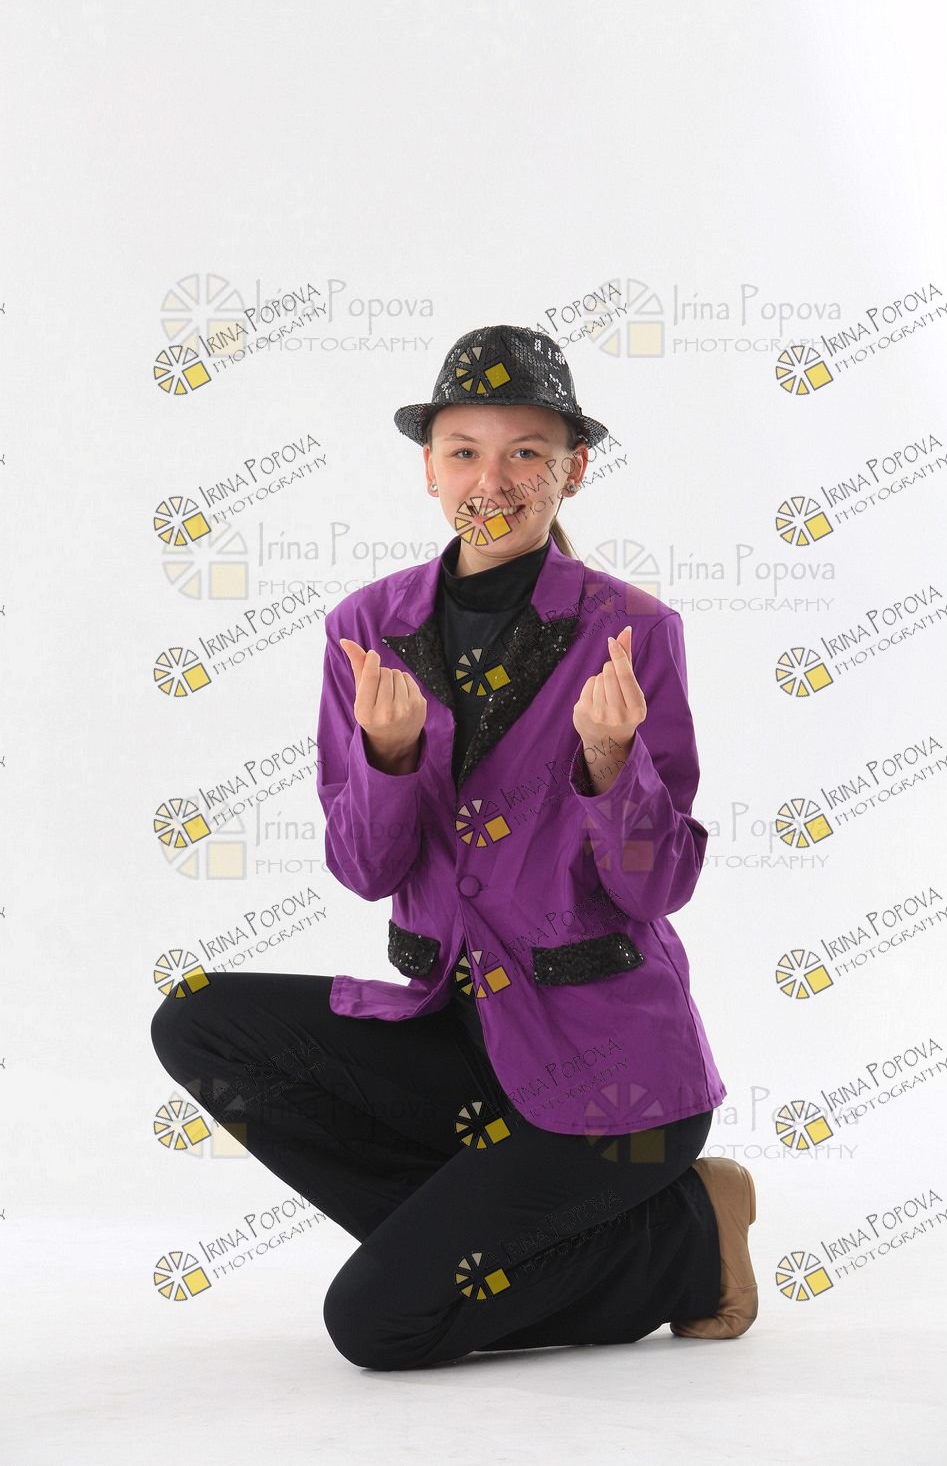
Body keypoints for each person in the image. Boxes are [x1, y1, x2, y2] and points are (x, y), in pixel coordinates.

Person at [150, 323, 758, 1370]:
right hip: (457, 1040)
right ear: (429, 469)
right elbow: (366, 870)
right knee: (199, 1020)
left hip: (615, 1082)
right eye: (465, 450)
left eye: (527, 452)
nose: (494, 479)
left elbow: (659, 884)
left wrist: (613, 762)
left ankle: (686, 1243)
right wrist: (387, 759)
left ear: (573, 469)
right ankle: (498, 1241)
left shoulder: (631, 630)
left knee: (378, 1323)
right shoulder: (366, 626)